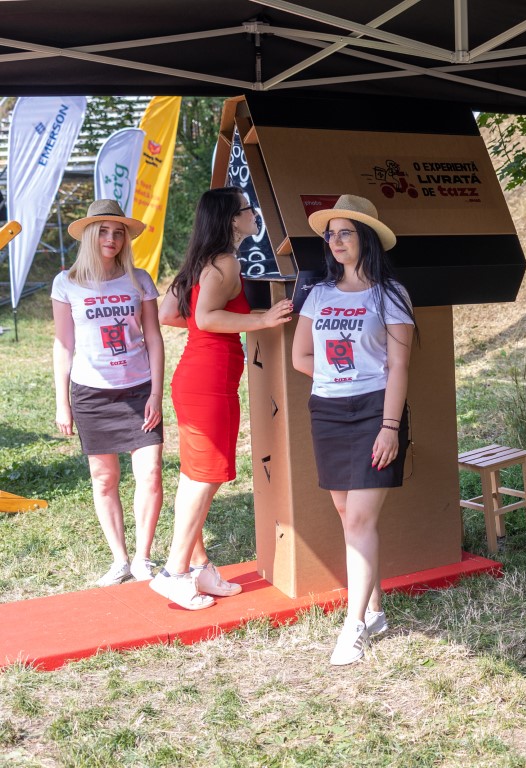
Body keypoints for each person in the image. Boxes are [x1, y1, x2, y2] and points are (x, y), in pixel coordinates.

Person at [153, 186, 293, 610]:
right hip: (208, 383)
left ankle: (199, 567)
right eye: (248, 209)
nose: (254, 214)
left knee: (196, 477)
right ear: (233, 220)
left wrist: (245, 318)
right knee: (205, 478)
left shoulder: (204, 261)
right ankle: (174, 573)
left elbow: (169, 314)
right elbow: (206, 316)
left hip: (198, 379)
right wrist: (261, 320)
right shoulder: (225, 263)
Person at [291, 194, 415, 665]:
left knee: (360, 520)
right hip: (327, 412)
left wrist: (390, 426)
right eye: (331, 234)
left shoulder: (391, 294)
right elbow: (301, 356)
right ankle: (376, 610)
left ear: (366, 238)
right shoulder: (319, 294)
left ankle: (353, 626)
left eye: (345, 232)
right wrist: (335, 379)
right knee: (348, 516)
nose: (335, 241)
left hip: (374, 412)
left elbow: (400, 366)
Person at [51, 200, 164, 586]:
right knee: (104, 478)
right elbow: (63, 345)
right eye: (103, 231)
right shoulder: (66, 282)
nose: (112, 239)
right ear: (88, 235)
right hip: (91, 394)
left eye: (118, 232)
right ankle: (120, 560)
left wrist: (156, 393)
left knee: (151, 474)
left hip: (138, 391)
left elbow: (154, 338)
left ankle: (143, 558)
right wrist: (62, 403)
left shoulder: (139, 279)